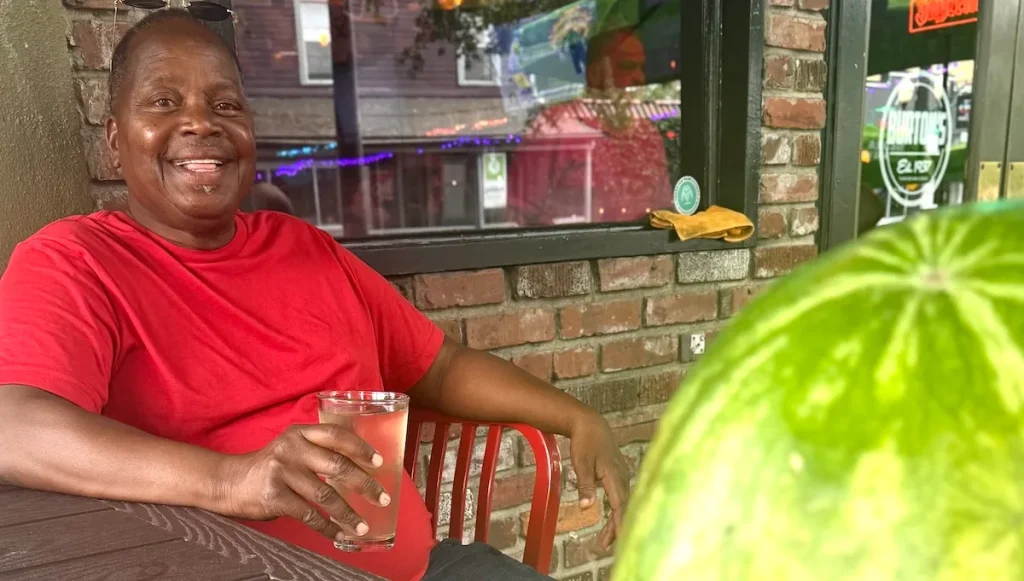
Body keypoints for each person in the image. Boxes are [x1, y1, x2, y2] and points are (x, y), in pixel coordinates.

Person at [0, 10, 630, 581]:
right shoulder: (77, 261)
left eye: (226, 106)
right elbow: (14, 429)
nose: (199, 122)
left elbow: (441, 365)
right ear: (115, 137)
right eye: (164, 102)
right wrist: (233, 479)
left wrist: (578, 417)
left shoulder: (306, 250)